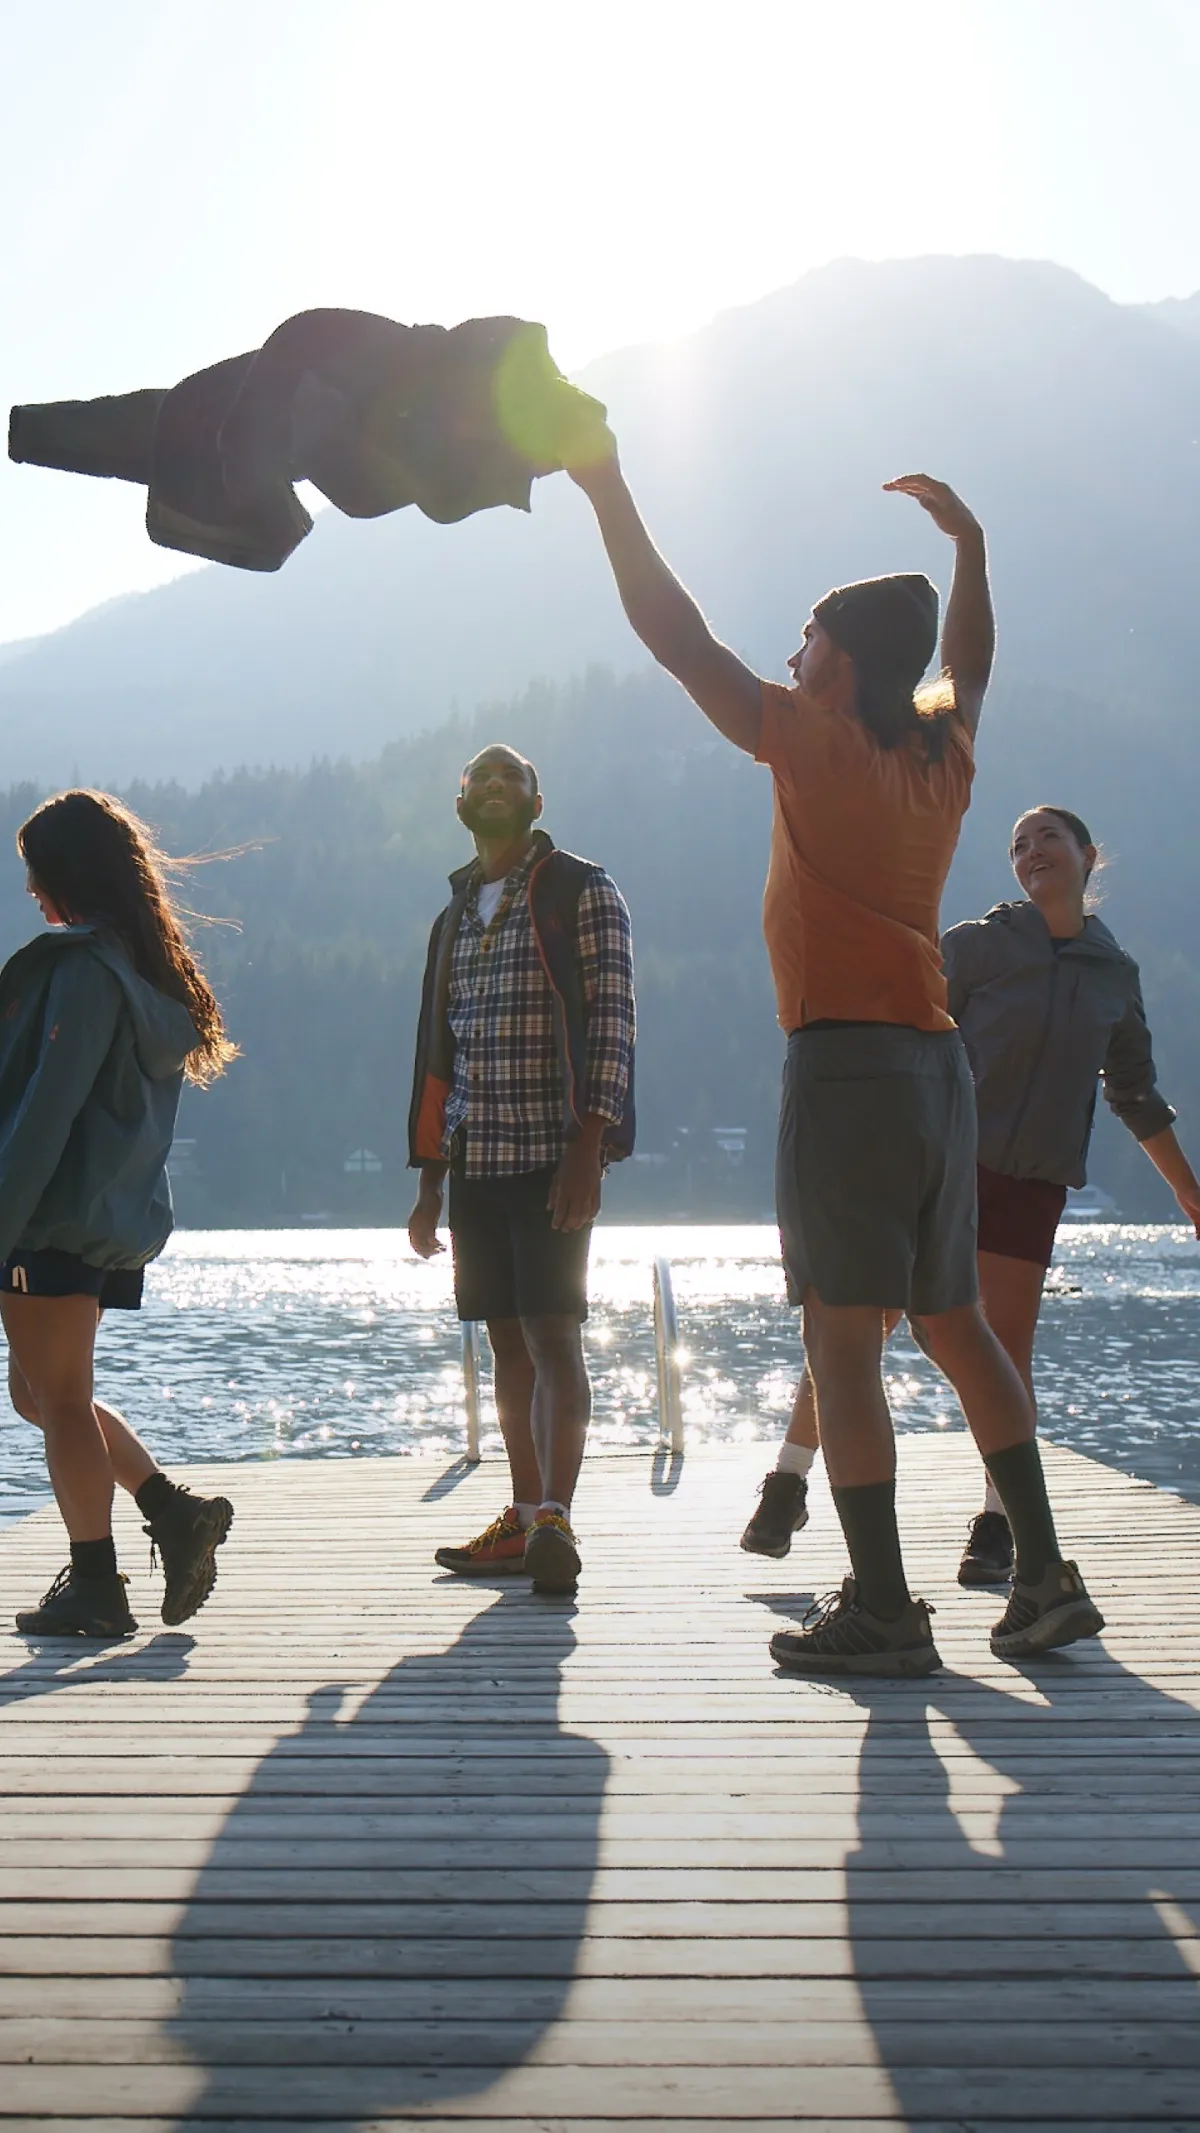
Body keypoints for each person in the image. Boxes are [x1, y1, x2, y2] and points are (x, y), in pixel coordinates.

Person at [569, 430, 1104, 1674]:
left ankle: (880, 1608)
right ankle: (1045, 1575)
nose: (788, 653)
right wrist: (970, 546)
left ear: (839, 664)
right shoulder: (941, 761)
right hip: (937, 1074)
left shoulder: (812, 740)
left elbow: (673, 634)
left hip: (847, 1073)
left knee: (840, 1346)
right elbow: (964, 663)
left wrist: (606, 484)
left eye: (805, 637)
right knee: (958, 1328)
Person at [742, 805, 1200, 1584]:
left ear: (1089, 856)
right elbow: (898, 1013)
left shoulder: (1112, 974)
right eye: (1019, 844)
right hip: (943, 1156)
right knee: (865, 1320)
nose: (1031, 852)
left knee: (1005, 1348)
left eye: (1047, 839)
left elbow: (1135, 1094)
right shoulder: (983, 944)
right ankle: (789, 1479)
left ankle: (996, 1524)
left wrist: (1191, 1196)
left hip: (1034, 1180)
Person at [0, 791, 238, 1639]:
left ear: (64, 873)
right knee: (40, 1392)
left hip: (47, 1217)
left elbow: (44, 1113)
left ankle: (98, 1586)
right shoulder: (143, 974)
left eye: (34, 871)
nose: (29, 888)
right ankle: (173, 1514)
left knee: (57, 1399)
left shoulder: (83, 973)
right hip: (101, 1220)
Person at [407, 744, 635, 1594]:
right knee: (506, 1341)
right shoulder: (456, 911)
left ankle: (556, 1522)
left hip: (552, 1153)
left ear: (538, 801)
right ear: (461, 804)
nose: (495, 784)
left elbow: (612, 1018)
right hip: (476, 1158)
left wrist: (592, 1146)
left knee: (552, 1332)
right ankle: (524, 1511)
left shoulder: (581, 888)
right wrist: (430, 1180)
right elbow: (439, 1046)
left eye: (512, 776)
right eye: (479, 778)